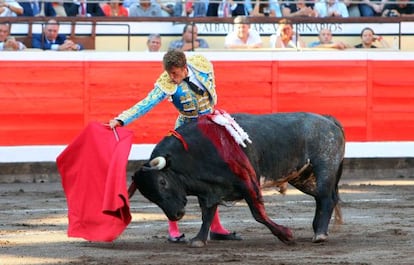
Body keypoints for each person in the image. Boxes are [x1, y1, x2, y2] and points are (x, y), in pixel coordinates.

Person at [108, 49, 242, 243]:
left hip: (210, 126)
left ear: (184, 67)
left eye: (176, 74)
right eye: (169, 73)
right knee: (172, 178)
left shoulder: (202, 65)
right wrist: (121, 120)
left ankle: (216, 227)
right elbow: (146, 103)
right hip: (186, 131)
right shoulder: (166, 83)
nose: (172, 77)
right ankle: (174, 228)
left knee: (214, 176)